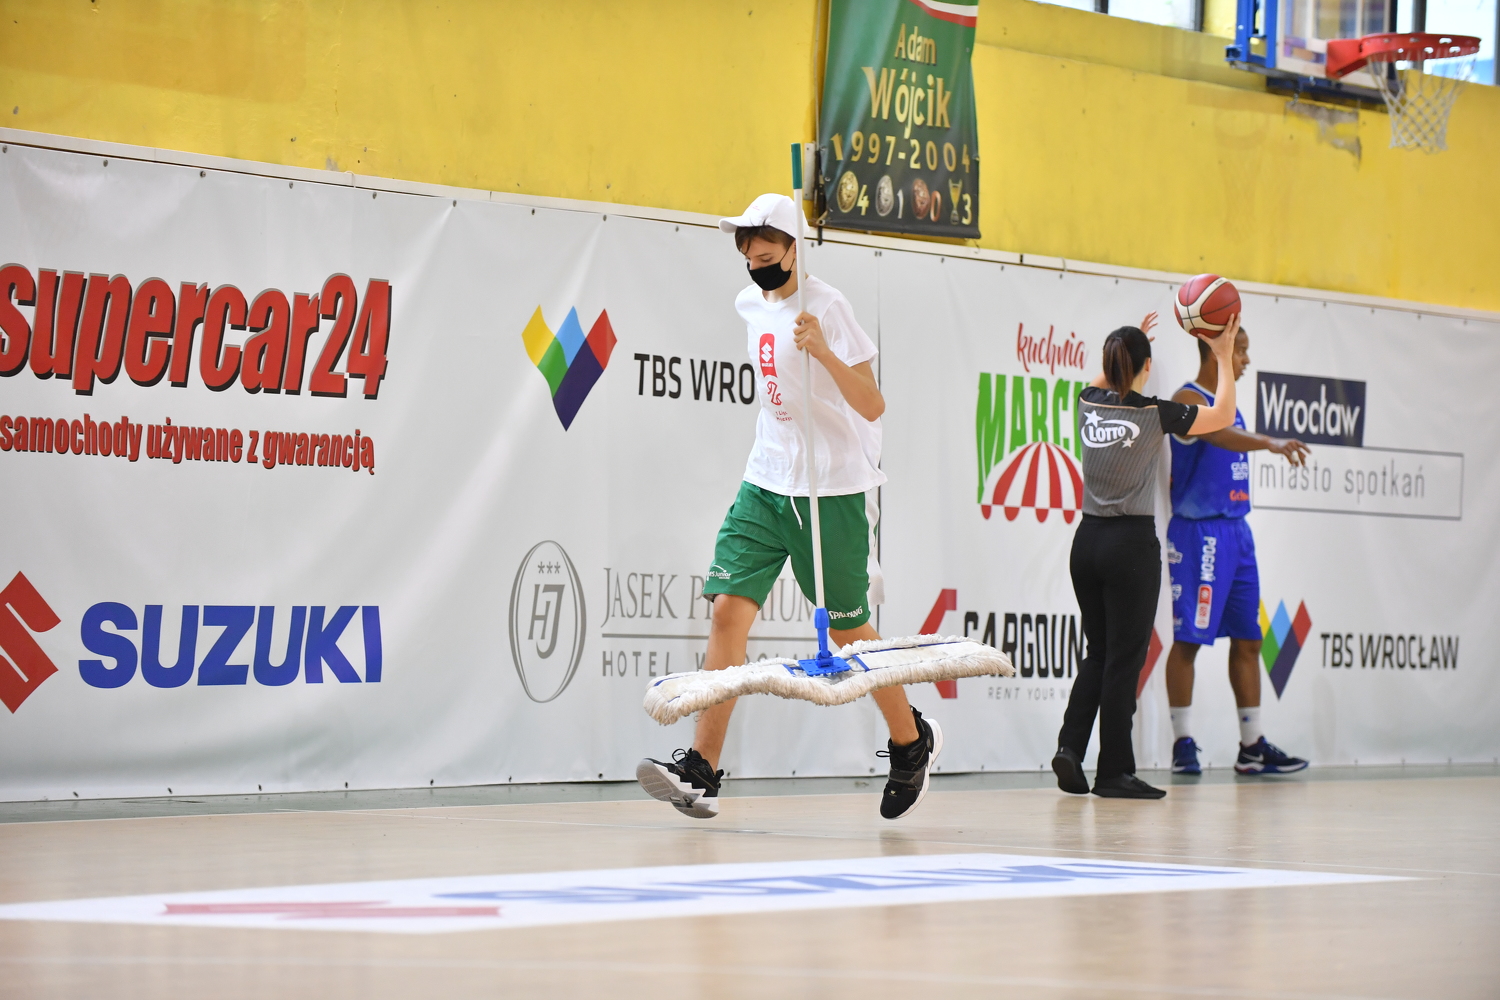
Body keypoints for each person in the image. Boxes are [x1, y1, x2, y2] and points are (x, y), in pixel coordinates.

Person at [636, 193, 938, 821]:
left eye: (767, 253)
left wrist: (824, 350)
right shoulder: (750, 303)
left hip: (830, 490)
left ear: (795, 248)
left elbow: (872, 404)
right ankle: (701, 769)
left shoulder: (829, 306)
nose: (757, 263)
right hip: (766, 481)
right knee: (727, 611)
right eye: (749, 255)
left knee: (850, 632)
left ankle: (911, 741)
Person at [1051, 312, 1239, 799]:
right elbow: (1221, 416)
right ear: (1147, 366)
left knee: (1098, 653)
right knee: (1124, 661)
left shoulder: (1087, 403)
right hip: (1130, 547)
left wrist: (1123, 347)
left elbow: (1104, 380)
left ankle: (1070, 748)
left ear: (1110, 363)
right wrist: (1222, 357)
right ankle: (1114, 772)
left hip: (1086, 542)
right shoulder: (1156, 413)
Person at [1165, 326, 1311, 776]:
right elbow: (1219, 434)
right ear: (1218, 352)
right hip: (1198, 534)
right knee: (1189, 641)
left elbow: (1227, 429)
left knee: (1250, 639)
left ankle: (1252, 747)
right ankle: (1182, 744)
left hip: (1236, 533)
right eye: (1241, 352)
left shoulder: (1229, 403)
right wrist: (1270, 442)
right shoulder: (1187, 399)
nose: (1246, 361)